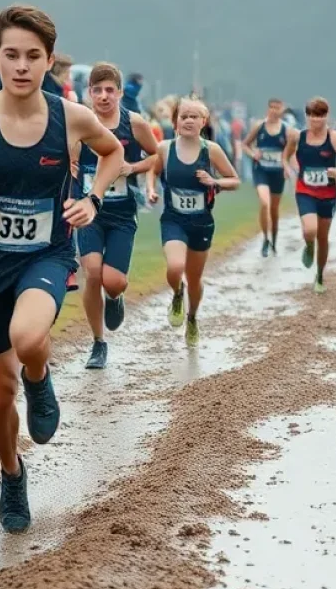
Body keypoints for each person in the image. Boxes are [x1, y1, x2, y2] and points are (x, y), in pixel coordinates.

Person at [0, 5, 122, 534]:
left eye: (33, 56)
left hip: (45, 254)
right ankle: (12, 472)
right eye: (11, 54)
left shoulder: (71, 117)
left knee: (27, 334)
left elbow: (113, 150)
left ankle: (41, 375)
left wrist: (94, 201)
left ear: (49, 61)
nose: (21, 65)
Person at [73, 63, 159, 370]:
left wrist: (133, 168)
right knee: (92, 272)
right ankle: (98, 343)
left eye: (110, 90)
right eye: (97, 90)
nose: (104, 96)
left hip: (122, 212)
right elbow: (69, 160)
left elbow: (157, 154)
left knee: (113, 281)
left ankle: (115, 297)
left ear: (120, 93)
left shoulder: (134, 124)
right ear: (90, 93)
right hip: (90, 211)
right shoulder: (79, 122)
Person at [151, 96, 239, 345]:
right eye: (184, 116)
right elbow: (154, 171)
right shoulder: (165, 148)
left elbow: (234, 179)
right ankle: (177, 293)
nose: (188, 120)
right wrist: (150, 189)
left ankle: (192, 318)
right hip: (173, 219)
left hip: (201, 222)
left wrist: (215, 182)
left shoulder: (211, 150)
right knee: (175, 267)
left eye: (194, 116)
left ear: (203, 121)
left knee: (195, 279)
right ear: (175, 120)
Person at [283, 97, 336, 294]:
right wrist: (289, 167)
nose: (316, 120)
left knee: (323, 237)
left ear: (326, 116)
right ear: (307, 117)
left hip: (327, 193)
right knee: (310, 230)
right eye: (313, 116)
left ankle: (320, 275)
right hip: (305, 190)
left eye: (321, 116)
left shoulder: (334, 137)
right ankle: (308, 245)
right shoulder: (298, 137)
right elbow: (287, 154)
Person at [242, 98, 288, 257]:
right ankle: (265, 238)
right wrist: (253, 153)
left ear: (282, 110)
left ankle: (274, 239)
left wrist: (287, 164)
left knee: (274, 209)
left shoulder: (286, 130)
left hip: (277, 172)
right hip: (261, 170)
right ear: (268, 109)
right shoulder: (259, 126)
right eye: (272, 107)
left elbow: (291, 151)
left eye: (278, 107)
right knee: (264, 202)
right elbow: (245, 144)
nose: (274, 110)